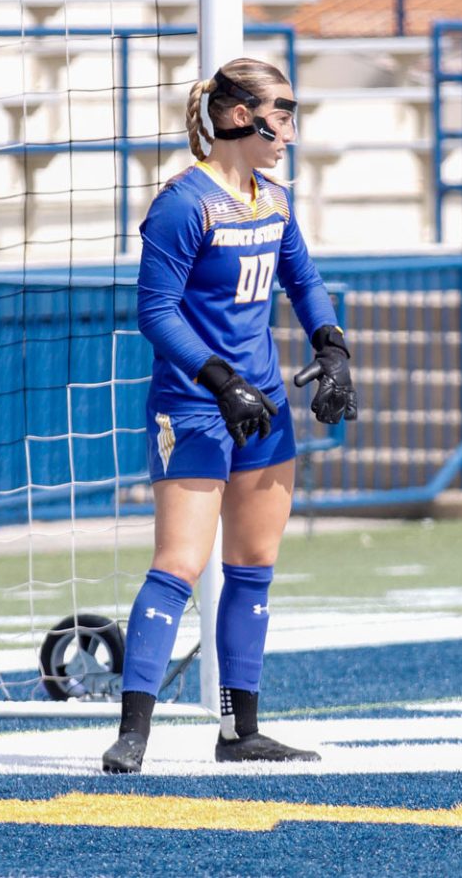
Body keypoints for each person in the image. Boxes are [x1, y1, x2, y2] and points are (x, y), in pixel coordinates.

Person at [101, 57, 358, 774]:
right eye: (282, 112)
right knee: (179, 564)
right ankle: (133, 735)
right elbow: (154, 313)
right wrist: (219, 382)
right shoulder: (183, 204)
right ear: (240, 114)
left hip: (264, 406)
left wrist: (332, 350)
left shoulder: (273, 200)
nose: (289, 130)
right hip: (195, 405)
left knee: (252, 567)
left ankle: (239, 731)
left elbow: (305, 284)